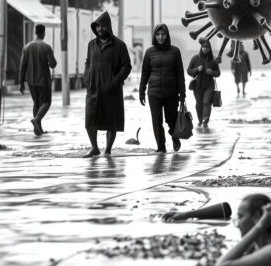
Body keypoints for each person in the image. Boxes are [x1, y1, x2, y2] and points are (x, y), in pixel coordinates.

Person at [83, 11, 131, 158]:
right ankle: (94, 147)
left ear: (108, 27)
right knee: (89, 120)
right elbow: (88, 62)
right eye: (97, 27)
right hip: (93, 89)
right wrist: (87, 76)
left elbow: (126, 66)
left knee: (111, 121)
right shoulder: (92, 44)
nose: (99, 29)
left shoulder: (119, 46)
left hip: (111, 91)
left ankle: (108, 150)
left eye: (102, 27)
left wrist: (114, 81)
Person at [214, 194, 271, 266]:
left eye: (240, 216)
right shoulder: (258, 251)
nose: (238, 223)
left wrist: (260, 226)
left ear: (257, 217)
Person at [139, 24, 185, 153]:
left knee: (171, 118)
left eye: (163, 34)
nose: (160, 37)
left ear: (167, 35)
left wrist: (182, 93)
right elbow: (144, 73)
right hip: (154, 92)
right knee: (156, 120)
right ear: (155, 36)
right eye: (158, 34)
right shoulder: (149, 52)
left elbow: (180, 73)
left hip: (171, 92)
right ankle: (161, 147)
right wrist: (141, 91)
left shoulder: (175, 51)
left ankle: (174, 136)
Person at [19, 24, 57, 136]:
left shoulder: (26, 47)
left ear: (35, 32)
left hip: (31, 81)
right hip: (43, 80)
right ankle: (37, 119)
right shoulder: (46, 47)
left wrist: (21, 82)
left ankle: (38, 129)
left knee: (36, 102)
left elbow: (22, 66)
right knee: (46, 102)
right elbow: (53, 64)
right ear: (44, 33)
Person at [187, 41, 220, 128]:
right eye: (203, 47)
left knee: (206, 102)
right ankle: (200, 120)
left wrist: (212, 72)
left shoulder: (213, 59)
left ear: (210, 49)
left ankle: (205, 120)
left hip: (209, 85)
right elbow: (188, 71)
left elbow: (218, 73)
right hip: (197, 85)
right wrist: (196, 70)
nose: (205, 48)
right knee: (199, 104)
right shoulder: (195, 58)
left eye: (207, 47)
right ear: (201, 48)